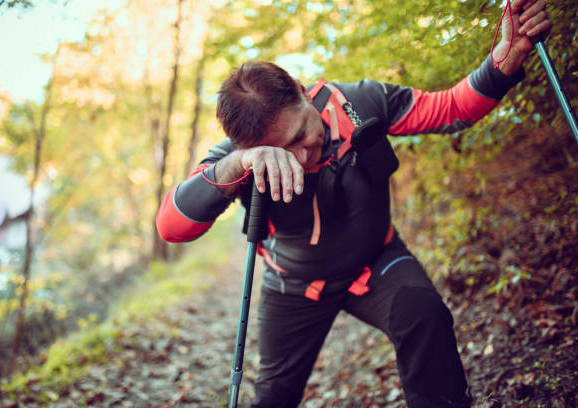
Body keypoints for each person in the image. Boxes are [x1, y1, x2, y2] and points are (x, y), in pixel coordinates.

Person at [156, 0, 551, 406]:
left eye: (299, 135)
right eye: (281, 152)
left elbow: (451, 109)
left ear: (301, 92)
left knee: (424, 313)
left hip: (375, 263)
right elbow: (170, 227)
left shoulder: (359, 105)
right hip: (294, 285)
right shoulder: (236, 160)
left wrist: (506, 60)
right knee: (274, 397)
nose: (301, 157)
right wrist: (237, 165)